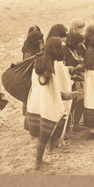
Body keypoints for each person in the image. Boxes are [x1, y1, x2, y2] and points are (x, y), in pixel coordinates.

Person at [24, 37, 80, 169]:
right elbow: (52, 90)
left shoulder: (41, 62)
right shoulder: (48, 69)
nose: (62, 50)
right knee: (44, 134)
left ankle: (40, 160)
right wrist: (67, 95)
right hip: (45, 105)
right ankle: (38, 163)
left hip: (37, 102)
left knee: (43, 134)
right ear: (55, 49)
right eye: (60, 48)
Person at [64, 31, 86, 132]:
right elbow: (65, 67)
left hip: (77, 79)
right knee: (71, 105)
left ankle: (75, 123)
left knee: (80, 101)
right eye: (78, 43)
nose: (79, 45)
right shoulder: (65, 51)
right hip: (70, 80)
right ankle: (67, 127)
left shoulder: (74, 50)